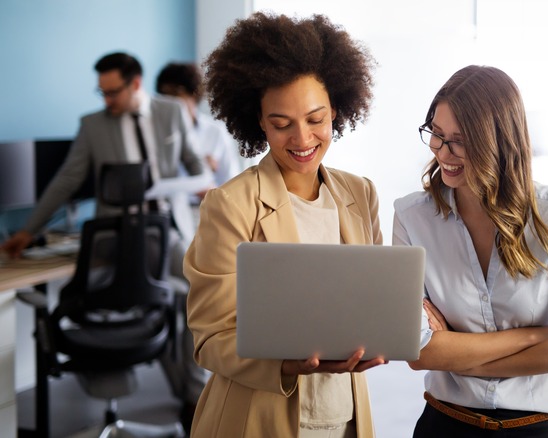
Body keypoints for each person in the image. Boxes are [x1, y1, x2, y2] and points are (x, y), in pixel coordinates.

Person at [183, 12, 386, 437]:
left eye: (316, 119)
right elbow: (210, 337)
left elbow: (373, 301)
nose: (302, 139)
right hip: (258, 418)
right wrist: (285, 364)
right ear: (258, 121)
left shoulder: (360, 194)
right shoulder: (230, 205)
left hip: (345, 416)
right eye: (281, 124)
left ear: (337, 110)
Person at [0, 51, 211, 427]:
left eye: (113, 92)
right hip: (118, 236)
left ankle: (195, 395)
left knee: (198, 299)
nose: (106, 101)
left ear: (135, 84)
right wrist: (28, 230)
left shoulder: (171, 113)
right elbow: (67, 179)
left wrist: (197, 186)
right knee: (151, 297)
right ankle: (186, 395)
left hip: (167, 227)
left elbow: (197, 167)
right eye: (101, 93)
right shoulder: (93, 125)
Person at [393, 65, 548, 437]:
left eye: (459, 140)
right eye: (436, 135)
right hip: (446, 425)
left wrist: (464, 360)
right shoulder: (412, 217)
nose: (443, 152)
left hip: (540, 427)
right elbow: (420, 352)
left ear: (499, 142)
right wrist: (536, 335)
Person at [156, 62, 241, 187]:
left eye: (176, 95)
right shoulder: (155, 131)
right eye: (166, 97)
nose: (172, 103)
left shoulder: (215, 131)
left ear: (193, 94)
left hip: (208, 203)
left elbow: (232, 181)